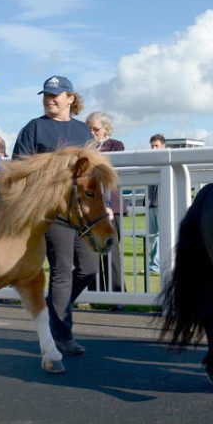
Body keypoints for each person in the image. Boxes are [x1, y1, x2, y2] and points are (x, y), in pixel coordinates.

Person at [13, 75, 96, 355]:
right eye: (46, 95)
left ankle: (53, 310)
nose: (49, 99)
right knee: (62, 270)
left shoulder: (83, 132)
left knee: (89, 267)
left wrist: (103, 204)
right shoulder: (34, 128)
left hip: (81, 212)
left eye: (55, 95)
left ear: (70, 98)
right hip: (51, 213)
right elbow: (18, 169)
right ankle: (63, 335)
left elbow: (92, 174)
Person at [84, 111, 125, 304]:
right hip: (90, 205)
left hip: (112, 204)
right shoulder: (84, 148)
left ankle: (118, 295)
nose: (92, 132)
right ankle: (94, 294)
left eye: (96, 129)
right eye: (89, 129)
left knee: (111, 250)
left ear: (106, 129)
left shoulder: (116, 146)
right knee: (90, 249)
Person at [147, 133, 166, 274]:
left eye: (156, 146)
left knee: (162, 236)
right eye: (152, 146)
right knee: (153, 237)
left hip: (163, 205)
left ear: (163, 146)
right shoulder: (150, 164)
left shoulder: (166, 162)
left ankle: (159, 265)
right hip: (151, 204)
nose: (153, 149)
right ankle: (154, 265)